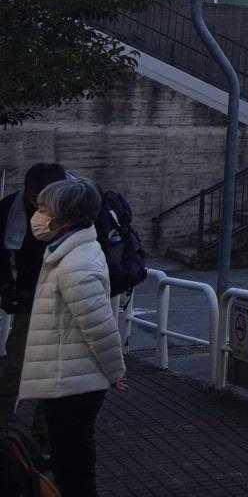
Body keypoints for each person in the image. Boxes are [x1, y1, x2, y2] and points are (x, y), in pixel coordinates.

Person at [19, 178, 126, 497]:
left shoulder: (75, 264)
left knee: (73, 464)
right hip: (69, 377)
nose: (37, 216)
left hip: (74, 384)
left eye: (43, 209)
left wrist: (116, 372)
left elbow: (99, 325)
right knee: (71, 458)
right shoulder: (67, 253)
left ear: (63, 217)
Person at [0, 162, 69, 438]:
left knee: (53, 371)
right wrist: (8, 289)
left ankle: (43, 433)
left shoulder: (75, 208)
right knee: (17, 366)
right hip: (30, 298)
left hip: (62, 297)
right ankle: (6, 428)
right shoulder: (10, 210)